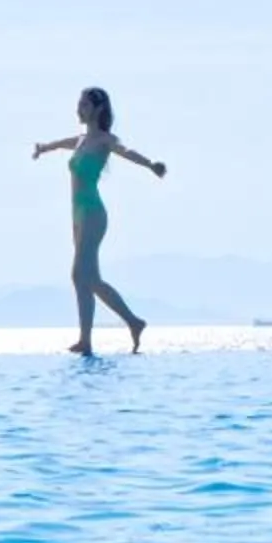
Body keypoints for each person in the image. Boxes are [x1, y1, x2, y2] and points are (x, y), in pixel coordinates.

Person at [32, 86, 168, 355]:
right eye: (78, 104)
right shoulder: (82, 140)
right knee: (83, 277)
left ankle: (131, 321)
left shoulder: (104, 140)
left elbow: (125, 150)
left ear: (98, 109)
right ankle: (89, 338)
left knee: (84, 275)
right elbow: (60, 144)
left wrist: (151, 164)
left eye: (83, 105)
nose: (78, 110)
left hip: (93, 213)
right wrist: (43, 148)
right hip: (77, 215)